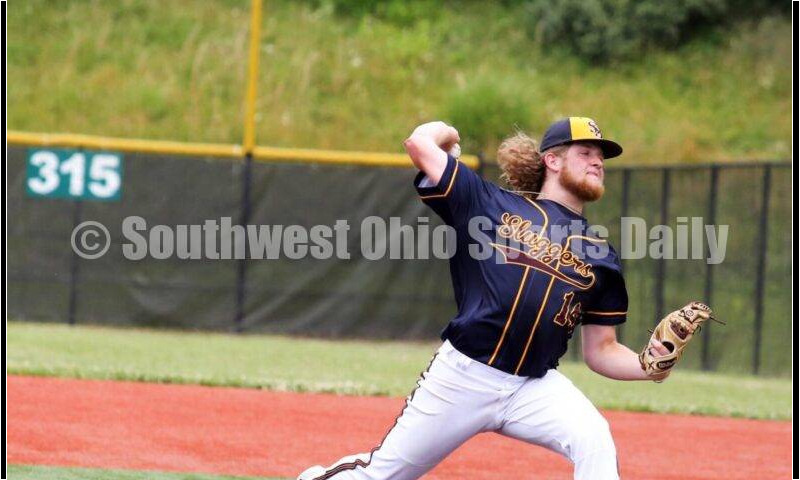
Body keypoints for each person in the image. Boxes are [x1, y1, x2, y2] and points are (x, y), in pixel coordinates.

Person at [298, 117, 672, 480]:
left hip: (533, 385)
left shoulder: (602, 256)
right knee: (384, 474)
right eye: (586, 151)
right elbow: (419, 143)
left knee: (594, 440)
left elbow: (601, 350)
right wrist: (449, 132)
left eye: (601, 157)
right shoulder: (489, 204)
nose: (597, 162)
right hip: (465, 376)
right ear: (552, 160)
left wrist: (648, 365)